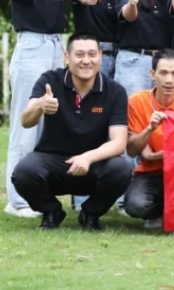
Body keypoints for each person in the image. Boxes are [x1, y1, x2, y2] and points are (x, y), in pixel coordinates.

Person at [10, 34, 133, 231]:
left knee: (121, 170)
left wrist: (87, 157)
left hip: (94, 164)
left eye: (92, 54)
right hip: (53, 162)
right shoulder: (50, 81)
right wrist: (40, 105)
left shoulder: (115, 91)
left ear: (100, 57)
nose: (86, 60)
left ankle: (90, 213)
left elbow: (119, 143)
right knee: (24, 172)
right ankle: (52, 211)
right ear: (67, 57)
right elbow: (26, 121)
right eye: (80, 54)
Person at [5, 0, 68, 218]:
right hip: (32, 50)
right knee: (25, 126)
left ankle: (38, 194)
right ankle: (17, 200)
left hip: (54, 48)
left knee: (47, 126)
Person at [124, 49, 174, 230]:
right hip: (152, 172)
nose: (169, 80)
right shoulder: (137, 101)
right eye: (163, 73)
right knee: (136, 205)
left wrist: (155, 155)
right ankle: (160, 213)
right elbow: (133, 150)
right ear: (152, 74)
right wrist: (150, 128)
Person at [115, 0, 170, 96]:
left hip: (163, 64)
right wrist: (132, 3)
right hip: (134, 62)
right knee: (133, 109)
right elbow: (128, 15)